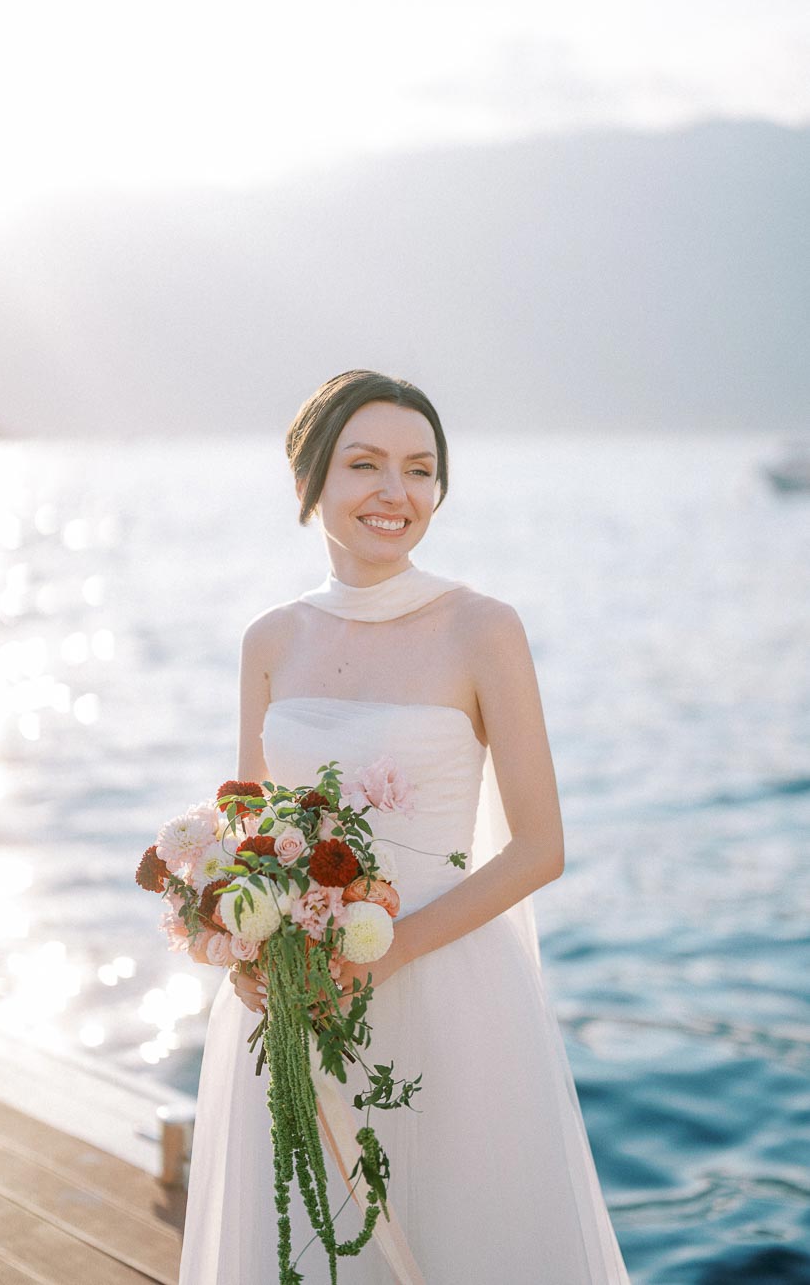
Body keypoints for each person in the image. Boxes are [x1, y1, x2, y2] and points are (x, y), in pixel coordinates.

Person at [178, 369, 629, 1283]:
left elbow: (542, 847)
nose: (396, 492)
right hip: (301, 999)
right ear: (311, 482)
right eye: (365, 465)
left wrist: (388, 952)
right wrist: (237, 941)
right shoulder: (270, 639)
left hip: (453, 989)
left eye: (420, 469)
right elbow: (251, 829)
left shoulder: (482, 629)